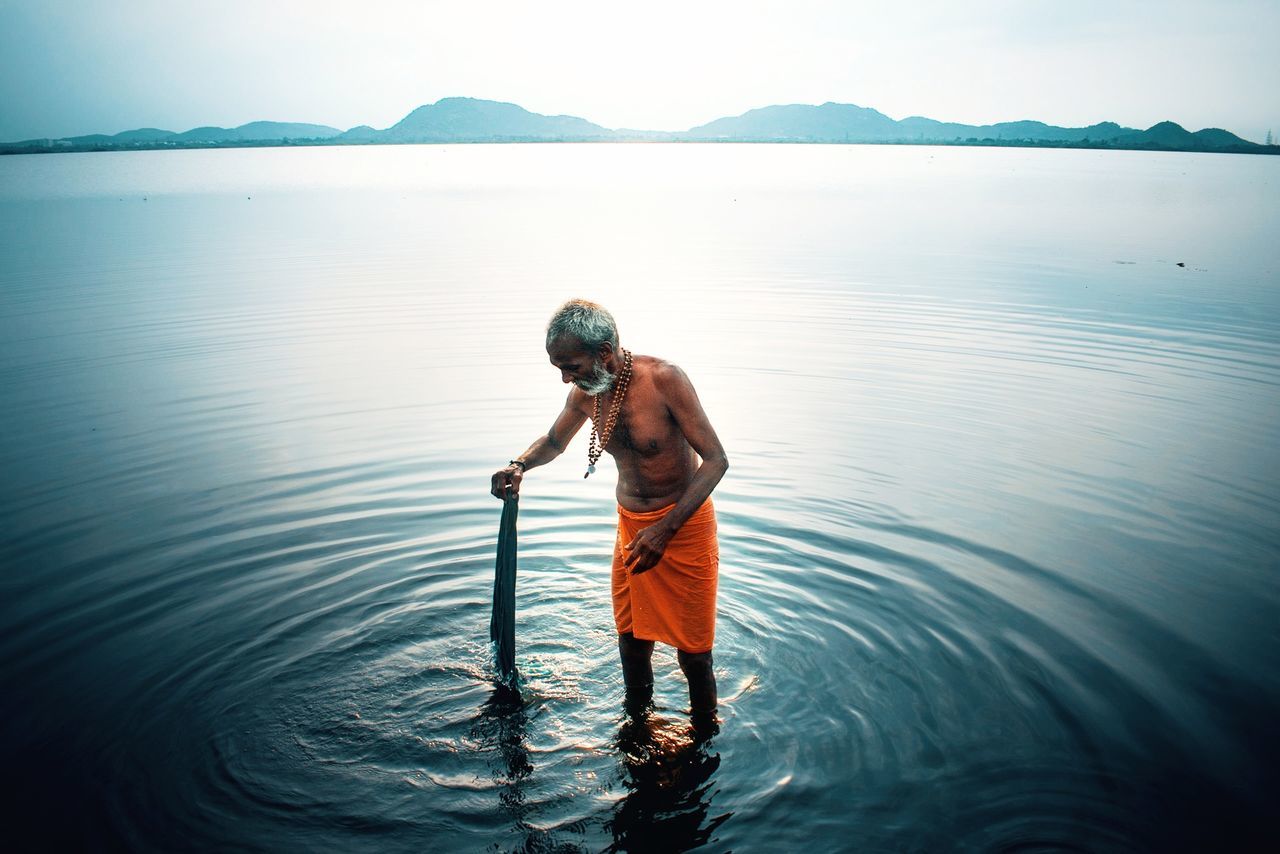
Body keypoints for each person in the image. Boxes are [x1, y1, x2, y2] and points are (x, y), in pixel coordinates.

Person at [490, 299, 729, 722]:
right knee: (632, 640)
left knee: (694, 657)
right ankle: (638, 722)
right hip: (631, 529)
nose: (566, 378)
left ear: (604, 353)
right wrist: (519, 464)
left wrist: (665, 530)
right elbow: (554, 441)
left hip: (683, 528)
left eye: (571, 366)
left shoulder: (665, 380)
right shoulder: (587, 392)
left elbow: (715, 460)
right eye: (559, 369)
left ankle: (703, 738)